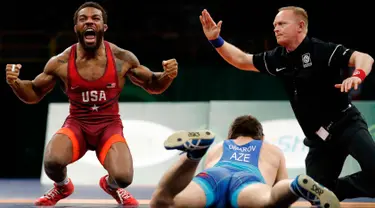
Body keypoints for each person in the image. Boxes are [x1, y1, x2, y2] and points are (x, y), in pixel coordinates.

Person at [5, 1, 178, 206]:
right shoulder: (60, 62)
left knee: (124, 177)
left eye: (95, 19)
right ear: (76, 28)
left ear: (104, 27)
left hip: (109, 127)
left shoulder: (122, 58)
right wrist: (15, 83)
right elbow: (34, 93)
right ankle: (62, 186)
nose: (89, 22)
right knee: (52, 162)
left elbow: (152, 84)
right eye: (83, 19)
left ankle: (111, 185)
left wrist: (168, 75)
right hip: (77, 125)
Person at [199, 6, 375, 202]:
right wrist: (216, 40)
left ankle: (337, 190)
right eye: (274, 25)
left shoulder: (321, 50)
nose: (276, 29)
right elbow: (241, 60)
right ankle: (328, 191)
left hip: (346, 124)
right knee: (317, 196)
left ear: (300, 26)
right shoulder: (277, 58)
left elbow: (364, 57)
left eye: (282, 24)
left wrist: (358, 75)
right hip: (318, 139)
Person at [150, 115, 341, 208]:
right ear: (261, 137)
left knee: (163, 201)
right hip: (248, 182)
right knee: (271, 201)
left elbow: (199, 175)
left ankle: (194, 155)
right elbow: (278, 186)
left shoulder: (220, 146)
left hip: (212, 178)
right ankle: (296, 186)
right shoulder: (272, 150)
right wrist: (286, 189)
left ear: (230, 135)